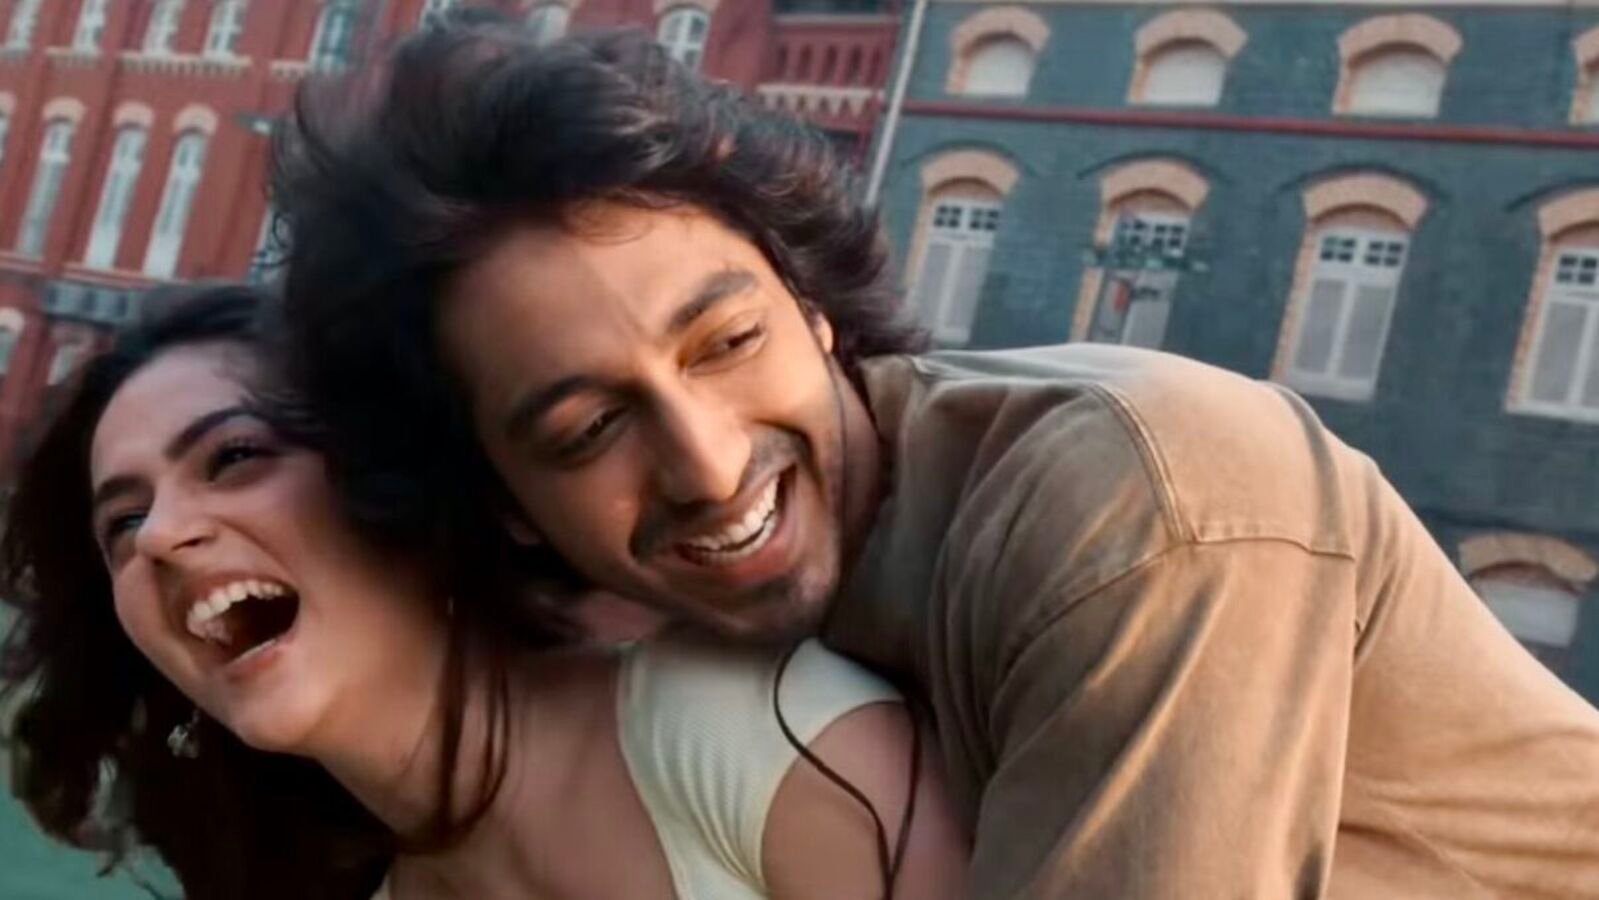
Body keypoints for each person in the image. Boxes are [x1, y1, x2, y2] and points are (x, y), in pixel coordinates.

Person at [275, 17, 1599, 900]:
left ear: (810, 307)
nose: (708, 464)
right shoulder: (665, 641)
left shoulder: (1127, 510)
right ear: (505, 502)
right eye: (588, 430)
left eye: (727, 341)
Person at [0, 284, 968, 900]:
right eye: (122, 524)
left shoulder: (760, 739)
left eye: (235, 457)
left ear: (399, 486)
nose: (159, 537)